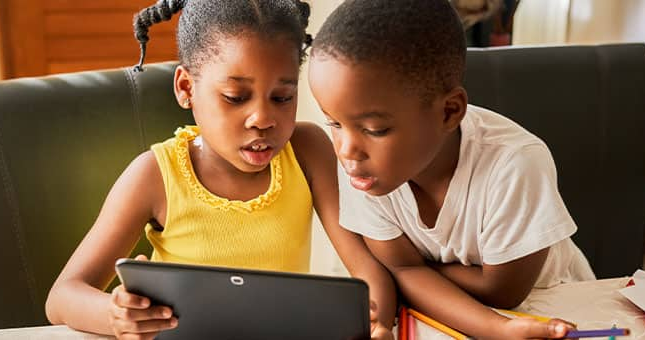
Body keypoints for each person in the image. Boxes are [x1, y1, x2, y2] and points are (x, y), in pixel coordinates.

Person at [44, 1, 392, 339]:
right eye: (236, 97)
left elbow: (364, 269)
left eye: (282, 97)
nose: (263, 119)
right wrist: (116, 315)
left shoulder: (307, 151)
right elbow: (63, 297)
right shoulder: (154, 175)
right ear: (186, 88)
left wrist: (379, 323)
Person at [308, 0, 596, 338]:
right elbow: (403, 267)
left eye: (375, 130)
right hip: (460, 317)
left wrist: (416, 272)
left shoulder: (515, 163)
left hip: (553, 311)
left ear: (449, 111)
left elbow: (501, 291)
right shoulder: (365, 168)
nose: (346, 150)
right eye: (334, 123)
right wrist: (407, 275)